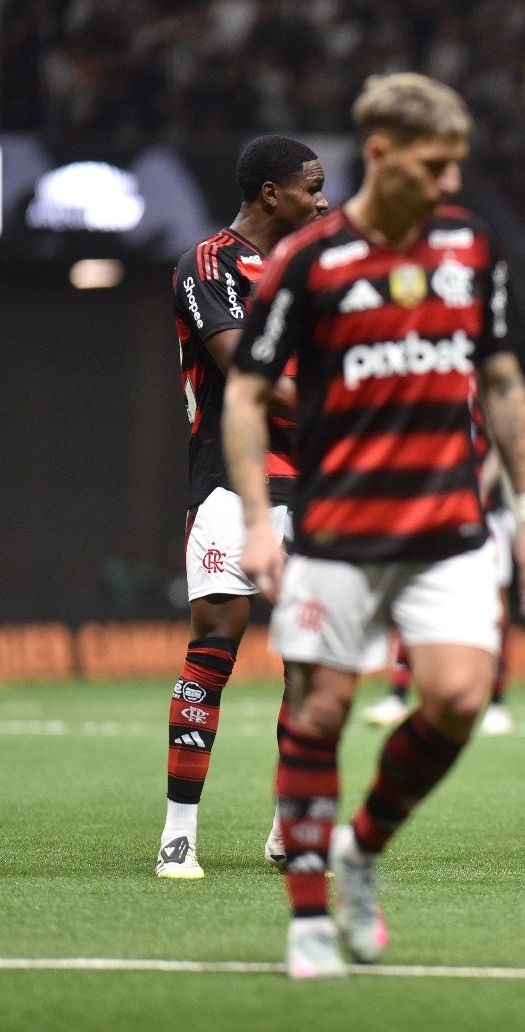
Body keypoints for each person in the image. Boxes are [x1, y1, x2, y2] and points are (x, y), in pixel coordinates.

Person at [225, 73, 525, 977]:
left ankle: (360, 853)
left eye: (459, 164)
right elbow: (247, 392)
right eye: (434, 164)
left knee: (454, 700)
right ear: (380, 153)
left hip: (448, 524)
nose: (452, 182)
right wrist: (259, 520)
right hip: (335, 527)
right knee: (321, 711)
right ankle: (305, 920)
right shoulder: (312, 259)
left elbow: (501, 382)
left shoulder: (470, 249)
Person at [157, 134, 328, 880]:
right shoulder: (209, 264)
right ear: (270, 193)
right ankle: (178, 834)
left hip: (314, 486)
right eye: (311, 187)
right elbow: (243, 366)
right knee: (216, 642)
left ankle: (288, 827)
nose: (322, 200)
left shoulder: (312, 271)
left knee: (309, 662)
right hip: (232, 478)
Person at [364, 445, 517, 735]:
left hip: (487, 513)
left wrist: (476, 488)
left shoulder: (484, 399)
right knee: (411, 594)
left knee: (496, 608)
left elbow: (502, 439)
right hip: (435, 508)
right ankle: (397, 694)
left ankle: (497, 703)